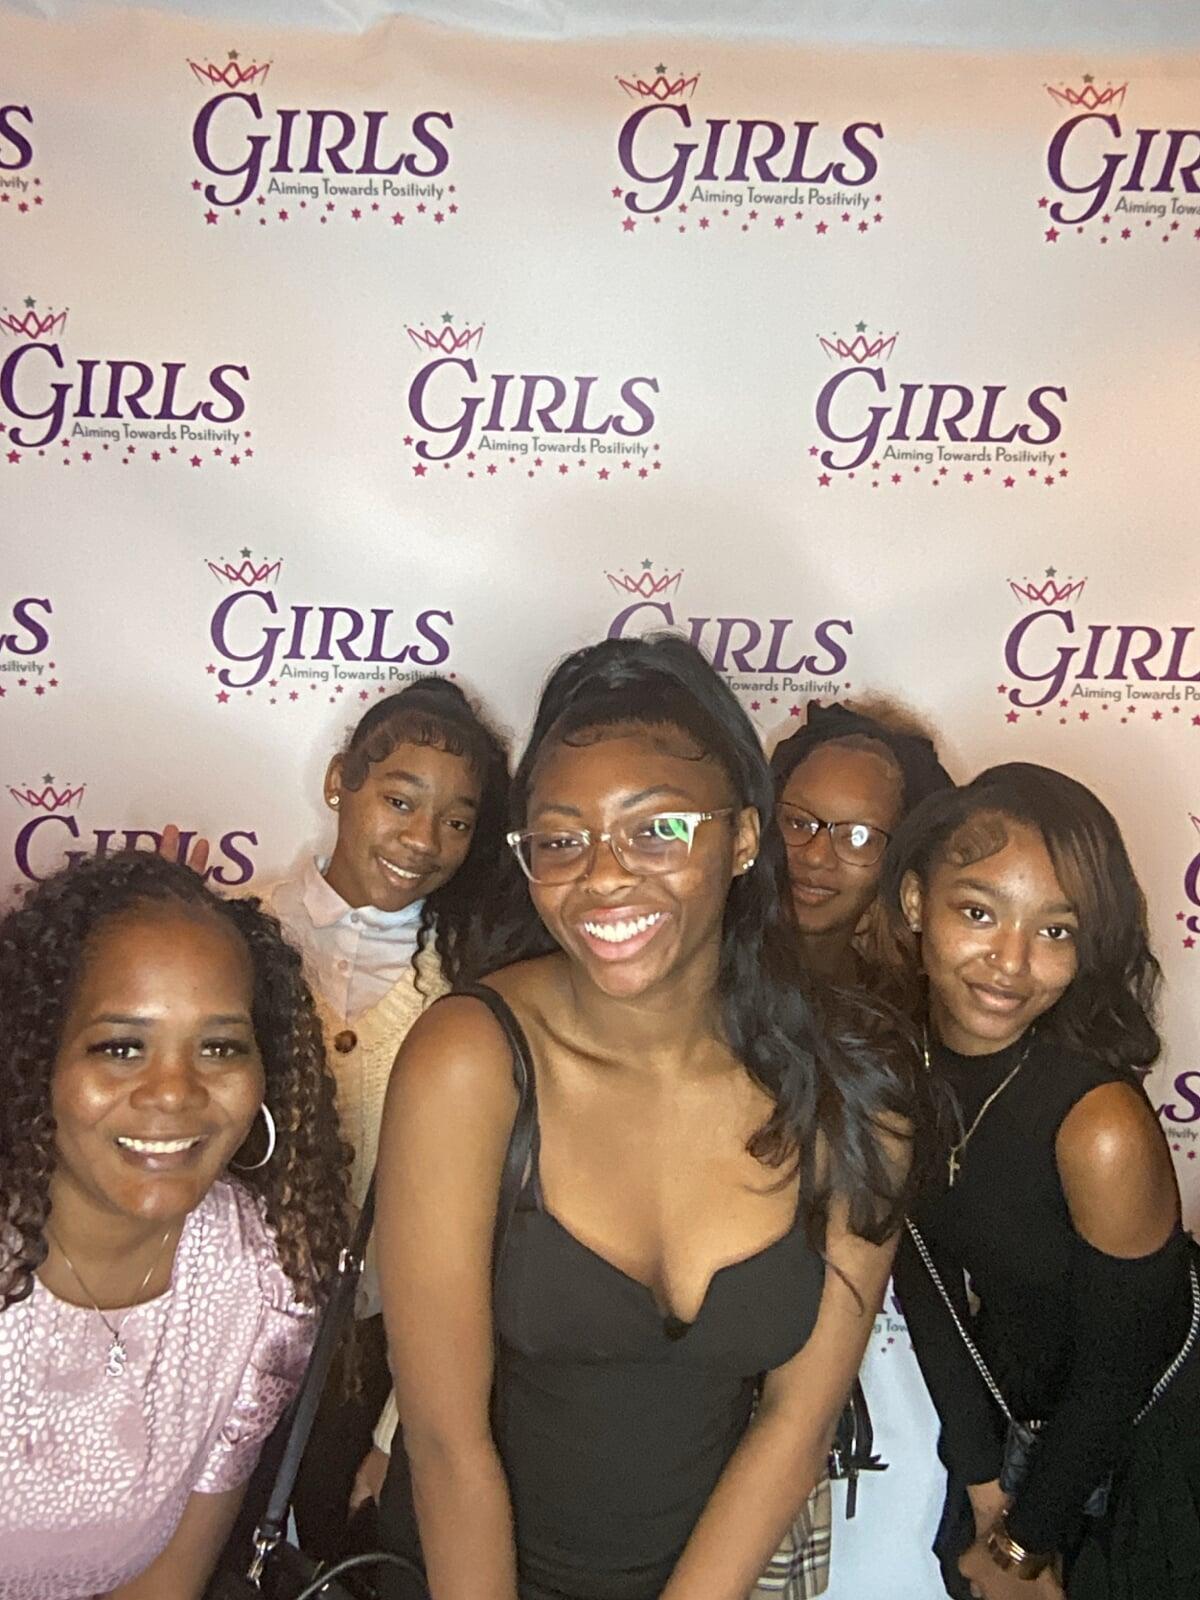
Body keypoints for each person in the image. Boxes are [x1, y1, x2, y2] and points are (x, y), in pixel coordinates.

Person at [374, 634, 929, 1600]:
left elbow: (797, 1425)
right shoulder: (469, 1060)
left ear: (744, 838)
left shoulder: (855, 1086)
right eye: (561, 839)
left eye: (657, 829)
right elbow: (444, 1441)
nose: (603, 875)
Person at [885, 763, 1200, 1600]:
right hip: (1012, 1439)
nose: (1011, 963)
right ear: (916, 903)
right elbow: (924, 1281)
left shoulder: (1098, 1125)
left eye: (1056, 931)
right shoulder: (902, 1064)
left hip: (1150, 1457)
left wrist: (1025, 1545)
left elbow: (1121, 1366)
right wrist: (985, 1487)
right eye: (978, 913)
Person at [0, 851, 351, 1600]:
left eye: (219, 1047)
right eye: (121, 1047)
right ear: (35, 1059)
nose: (174, 1092)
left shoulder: (265, 1280)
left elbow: (170, 1581)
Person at [260, 677, 510, 1550]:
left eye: (456, 821)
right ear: (341, 782)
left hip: (372, 1365)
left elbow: (478, 1234)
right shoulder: (237, 939)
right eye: (400, 801)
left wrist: (399, 1427)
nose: (423, 840)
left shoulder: (470, 991)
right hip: (217, 1349)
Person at [769, 699, 952, 989]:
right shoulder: (708, 982)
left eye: (858, 837)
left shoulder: (908, 1004)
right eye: (798, 823)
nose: (815, 856)